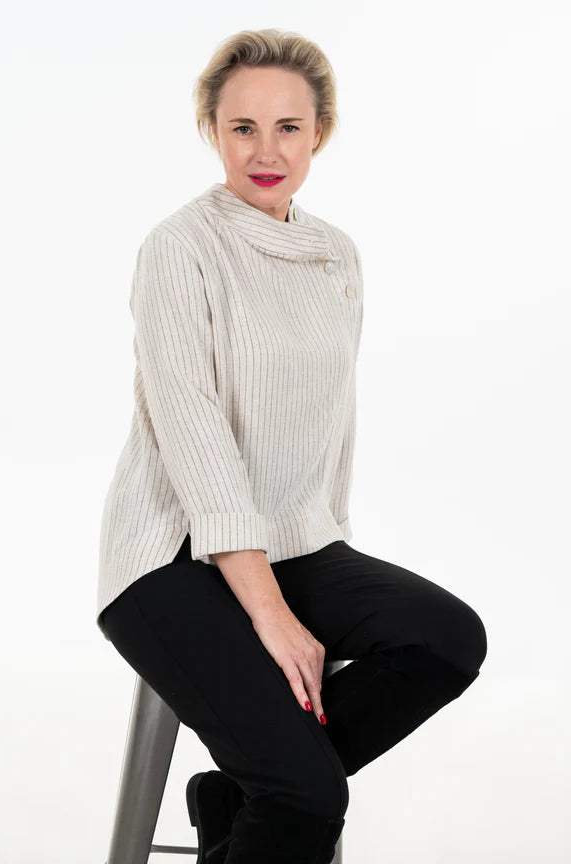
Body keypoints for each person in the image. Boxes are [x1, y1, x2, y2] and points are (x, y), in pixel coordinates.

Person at [97, 27, 487, 864]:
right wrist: (270, 614)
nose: (264, 151)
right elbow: (194, 437)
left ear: (320, 133)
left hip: (292, 538)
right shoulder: (179, 248)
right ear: (212, 130)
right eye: (243, 128)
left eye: (287, 128)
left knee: (446, 639)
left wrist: (321, 546)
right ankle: (273, 789)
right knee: (310, 795)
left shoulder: (335, 255)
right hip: (169, 555)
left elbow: (328, 420)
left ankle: (239, 792)